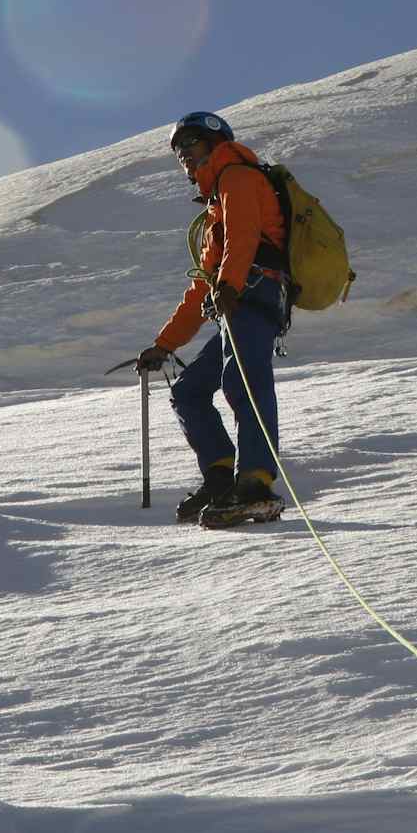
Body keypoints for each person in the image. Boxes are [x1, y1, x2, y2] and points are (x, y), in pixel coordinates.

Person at [135, 111, 293, 528]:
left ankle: (256, 484)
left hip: (255, 292)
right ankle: (221, 478)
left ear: (216, 143)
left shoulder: (237, 178)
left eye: (192, 143)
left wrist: (230, 286)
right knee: (188, 391)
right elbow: (203, 284)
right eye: (178, 150)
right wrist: (165, 345)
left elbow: (243, 236)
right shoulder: (214, 203)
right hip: (238, 297)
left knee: (244, 381)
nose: (184, 154)